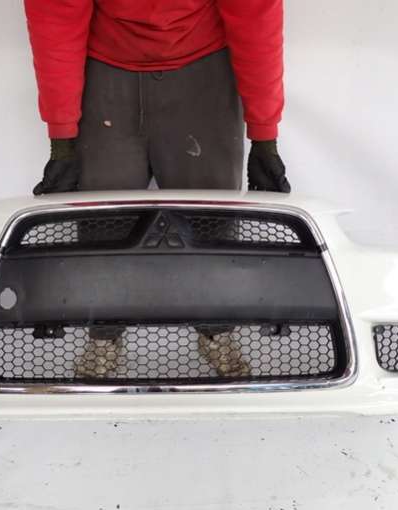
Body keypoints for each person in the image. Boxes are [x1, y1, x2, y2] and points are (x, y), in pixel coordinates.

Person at [24, 0, 290, 378]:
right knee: (103, 219)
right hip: (107, 63)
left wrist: (265, 136)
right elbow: (56, 13)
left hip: (203, 67)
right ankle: (104, 332)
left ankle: (217, 329)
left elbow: (255, 12)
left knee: (211, 217)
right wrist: (61, 140)